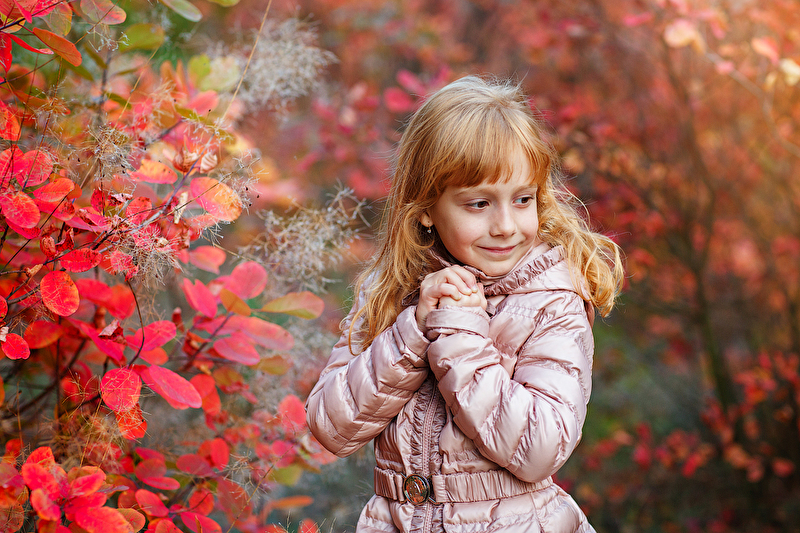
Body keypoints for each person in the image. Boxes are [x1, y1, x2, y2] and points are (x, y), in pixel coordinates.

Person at [305, 75, 624, 533]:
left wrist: (459, 331)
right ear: (425, 209)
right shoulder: (392, 291)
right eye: (478, 204)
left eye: (522, 199)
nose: (506, 225)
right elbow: (330, 426)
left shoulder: (552, 301)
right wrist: (413, 331)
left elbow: (540, 448)